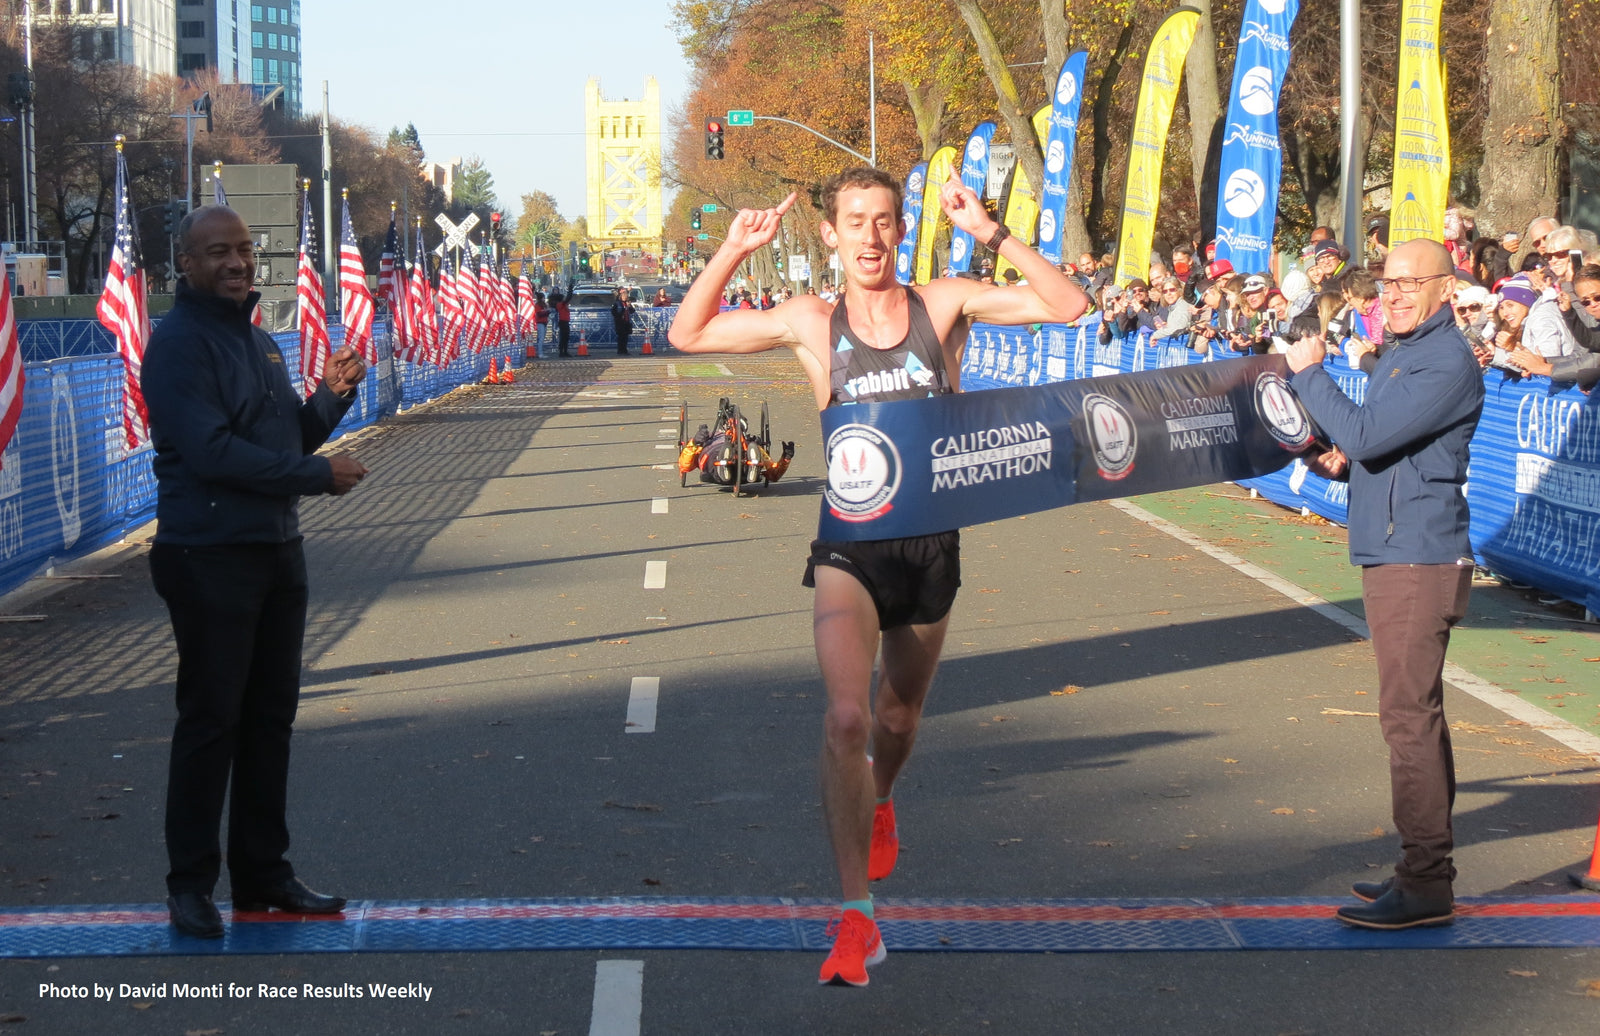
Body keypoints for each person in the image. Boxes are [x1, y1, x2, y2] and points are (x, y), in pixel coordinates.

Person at [668, 167, 1087, 986]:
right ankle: (856, 917)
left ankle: (883, 796)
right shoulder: (810, 322)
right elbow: (688, 333)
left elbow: (1069, 305)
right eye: (854, 221)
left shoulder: (944, 304)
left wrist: (992, 233)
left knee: (897, 720)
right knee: (848, 718)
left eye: (884, 220)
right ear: (829, 234)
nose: (869, 236)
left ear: (901, 230)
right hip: (850, 545)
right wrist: (730, 250)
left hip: (930, 547)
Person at [140, 206, 369, 940]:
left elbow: (284, 437)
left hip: (275, 550)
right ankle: (190, 885)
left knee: (269, 721)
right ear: (186, 263)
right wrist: (315, 475)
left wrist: (330, 399)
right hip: (208, 555)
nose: (238, 263)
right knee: (213, 722)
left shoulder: (259, 340)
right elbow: (212, 453)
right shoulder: (178, 344)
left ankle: (264, 876)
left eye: (244, 249)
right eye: (219, 252)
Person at [1285, 238, 1485, 931]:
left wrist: (1311, 377)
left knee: (1408, 717)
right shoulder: (1405, 352)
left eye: (1409, 283)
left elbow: (1371, 436)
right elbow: (1382, 451)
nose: (1392, 295)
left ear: (1445, 289)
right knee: (1415, 712)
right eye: (1385, 284)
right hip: (1396, 549)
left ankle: (1427, 881)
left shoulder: (1444, 358)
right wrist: (1339, 463)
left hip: (1418, 557)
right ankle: (1422, 869)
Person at [611, 286, 635, 355]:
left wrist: (629, 306)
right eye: (623, 296)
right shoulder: (617, 303)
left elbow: (632, 311)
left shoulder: (627, 303)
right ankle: (620, 350)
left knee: (625, 337)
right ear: (621, 297)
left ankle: (624, 350)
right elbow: (613, 312)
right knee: (620, 337)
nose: (624, 297)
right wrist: (619, 315)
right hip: (620, 323)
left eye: (626, 296)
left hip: (626, 322)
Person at [552, 290, 572, 356]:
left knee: (566, 337)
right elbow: (568, 298)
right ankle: (562, 352)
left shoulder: (562, 304)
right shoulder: (560, 304)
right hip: (563, 322)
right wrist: (570, 290)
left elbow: (568, 299)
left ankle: (564, 351)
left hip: (565, 322)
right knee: (563, 337)